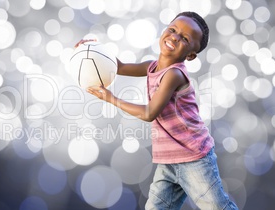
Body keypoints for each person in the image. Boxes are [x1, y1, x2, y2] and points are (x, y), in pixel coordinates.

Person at [82, 11, 239, 209]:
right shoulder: (152, 66)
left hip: (194, 158)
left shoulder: (174, 74)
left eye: (184, 38)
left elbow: (149, 113)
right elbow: (118, 66)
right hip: (168, 159)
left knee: (218, 207)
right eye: (173, 30)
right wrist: (91, 49)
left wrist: (110, 98)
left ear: (190, 55)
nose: (174, 36)